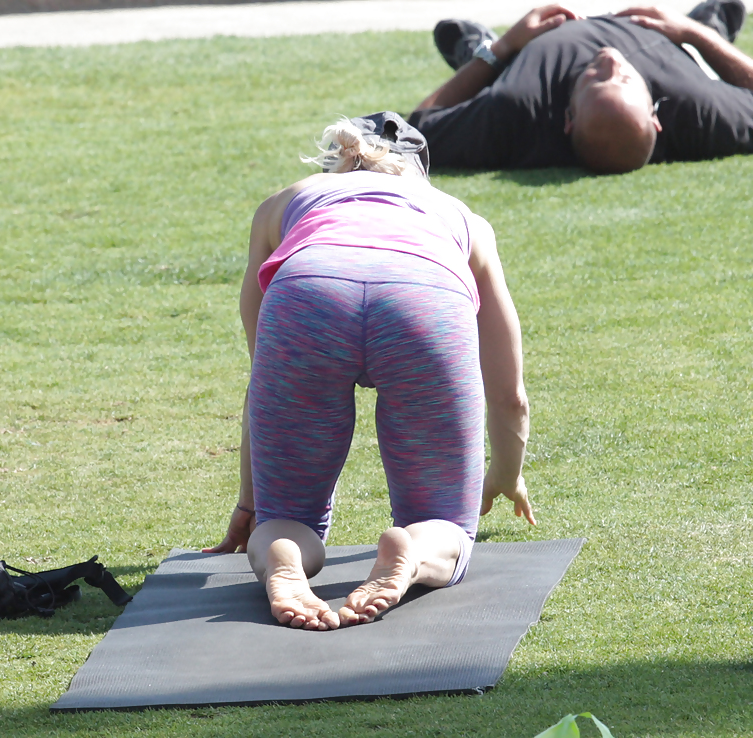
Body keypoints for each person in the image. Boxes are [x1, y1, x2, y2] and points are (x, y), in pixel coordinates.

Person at [203, 112, 534, 631]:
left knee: (285, 516)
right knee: (444, 523)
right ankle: (415, 545)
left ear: (341, 159)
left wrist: (254, 504)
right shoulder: (460, 216)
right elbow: (509, 393)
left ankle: (284, 554)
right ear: (420, 172)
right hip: (423, 294)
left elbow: (261, 380)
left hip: (309, 289)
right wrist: (508, 472)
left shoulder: (287, 201)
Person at [407, 1, 753, 173]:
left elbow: (416, 128)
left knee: (488, 67)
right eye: (624, 79)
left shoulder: (516, 107)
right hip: (665, 42)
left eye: (596, 79)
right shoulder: (697, 110)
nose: (611, 61)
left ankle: (477, 49)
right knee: (706, 41)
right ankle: (710, 27)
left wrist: (503, 48)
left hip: (529, 49)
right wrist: (694, 35)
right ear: (655, 115)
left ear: (568, 118)